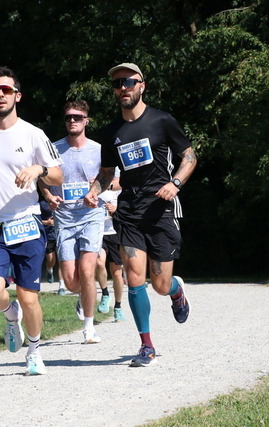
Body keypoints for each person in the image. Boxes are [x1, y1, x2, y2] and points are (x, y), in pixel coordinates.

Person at [84, 63, 197, 367]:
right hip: (129, 211)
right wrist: (95, 190)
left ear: (142, 86)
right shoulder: (111, 132)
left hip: (160, 209)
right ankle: (146, 345)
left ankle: (176, 291)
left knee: (159, 284)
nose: (123, 88)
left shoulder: (162, 120)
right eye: (117, 84)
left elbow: (189, 157)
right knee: (134, 278)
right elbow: (107, 173)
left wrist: (175, 183)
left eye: (129, 82)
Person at [0, 66, 62, 375]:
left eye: (6, 90)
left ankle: (34, 351)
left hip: (25, 223)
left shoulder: (33, 134)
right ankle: (9, 313)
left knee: (29, 297)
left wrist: (39, 170)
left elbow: (58, 174)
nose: (0, 95)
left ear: (18, 96)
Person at [39, 100, 104, 344]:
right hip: (64, 218)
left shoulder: (98, 149)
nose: (72, 121)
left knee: (87, 270)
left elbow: (116, 180)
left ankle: (89, 327)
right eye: (68, 117)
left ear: (87, 120)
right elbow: (42, 179)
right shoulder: (54, 150)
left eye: (77, 117)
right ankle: (83, 295)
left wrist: (95, 189)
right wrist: (48, 196)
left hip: (91, 215)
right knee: (71, 281)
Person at [94, 172, 126, 322]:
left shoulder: (120, 188)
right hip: (99, 230)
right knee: (99, 262)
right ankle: (105, 293)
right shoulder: (96, 185)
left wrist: (116, 208)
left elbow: (129, 207)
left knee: (117, 273)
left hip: (115, 232)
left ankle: (118, 306)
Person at [39, 198, 65, 294]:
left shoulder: (64, 200)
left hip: (63, 232)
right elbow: (35, 219)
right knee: (51, 260)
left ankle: (61, 286)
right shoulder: (42, 204)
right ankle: (49, 269)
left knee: (63, 259)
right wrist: (47, 223)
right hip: (49, 235)